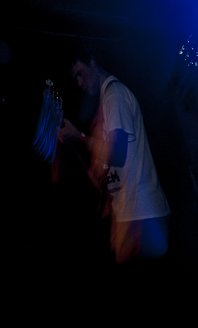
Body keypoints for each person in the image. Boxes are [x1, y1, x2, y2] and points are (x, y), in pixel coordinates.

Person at [58, 49, 171, 264]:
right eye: (75, 78)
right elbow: (112, 166)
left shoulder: (114, 95)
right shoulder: (105, 102)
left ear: (93, 62)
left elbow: (117, 153)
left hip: (141, 215)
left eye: (81, 73)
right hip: (132, 215)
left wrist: (80, 137)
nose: (79, 83)